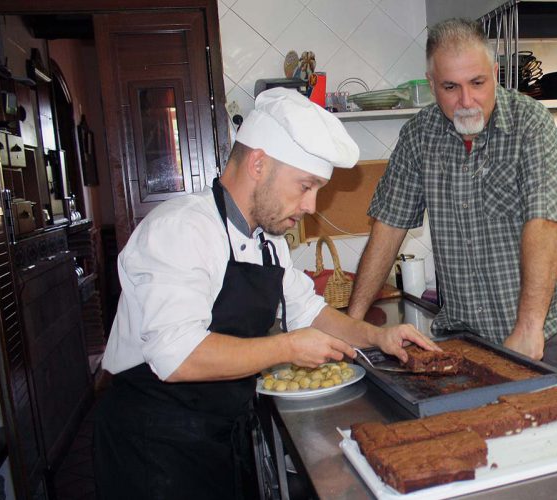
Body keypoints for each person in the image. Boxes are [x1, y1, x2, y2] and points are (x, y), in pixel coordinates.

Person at [93, 88, 438, 500]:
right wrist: (287, 348)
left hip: (219, 434)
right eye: (305, 186)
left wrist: (375, 337)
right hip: (154, 446)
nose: (311, 205)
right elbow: (177, 357)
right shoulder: (182, 229)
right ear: (258, 162)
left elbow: (309, 310)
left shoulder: (268, 241)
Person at [347, 18, 557, 383]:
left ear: (494, 74)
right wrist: (351, 326)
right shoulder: (419, 137)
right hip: (465, 343)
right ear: (432, 84)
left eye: (477, 83)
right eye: (450, 87)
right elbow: (388, 228)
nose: (466, 101)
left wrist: (529, 328)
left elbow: (543, 224)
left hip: (548, 338)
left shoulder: (531, 123)